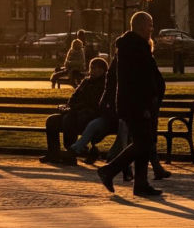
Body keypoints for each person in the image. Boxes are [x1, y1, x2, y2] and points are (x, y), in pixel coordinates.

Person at [96, 11, 166, 197]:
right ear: (141, 26)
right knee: (144, 142)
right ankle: (109, 170)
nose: (152, 28)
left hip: (136, 103)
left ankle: (141, 184)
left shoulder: (134, 46)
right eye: (150, 24)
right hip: (137, 104)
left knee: (142, 141)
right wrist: (145, 105)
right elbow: (138, 80)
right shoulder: (135, 47)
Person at [40, 56, 108, 164]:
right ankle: (53, 153)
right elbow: (73, 97)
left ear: (104, 70)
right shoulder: (85, 82)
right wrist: (72, 106)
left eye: (98, 68)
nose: (94, 71)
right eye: (92, 68)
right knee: (52, 120)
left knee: (69, 119)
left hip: (90, 115)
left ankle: (70, 155)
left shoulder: (105, 84)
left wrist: (76, 107)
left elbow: (95, 103)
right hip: (75, 112)